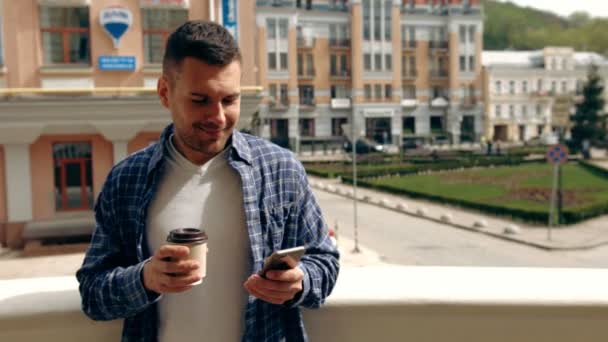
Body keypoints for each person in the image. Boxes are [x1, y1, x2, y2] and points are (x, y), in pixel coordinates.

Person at [76, 20, 339, 342]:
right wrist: (145, 278)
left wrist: (300, 281)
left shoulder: (280, 168)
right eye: (200, 100)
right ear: (164, 92)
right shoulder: (126, 179)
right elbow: (92, 293)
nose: (217, 117)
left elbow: (324, 261)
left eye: (229, 100)